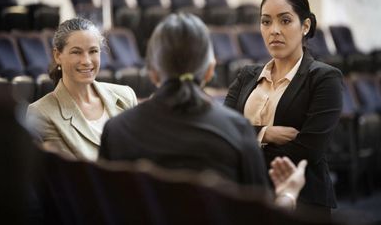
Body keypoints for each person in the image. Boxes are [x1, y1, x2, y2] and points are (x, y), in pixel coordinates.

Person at [99, 13, 307, 210]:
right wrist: (287, 195)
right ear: (210, 69)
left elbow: (105, 210)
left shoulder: (116, 130)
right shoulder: (237, 129)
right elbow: (260, 218)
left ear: (152, 73)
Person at [224, 0, 342, 219]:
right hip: (246, 198)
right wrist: (265, 134)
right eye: (266, 22)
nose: (274, 30)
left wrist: (242, 151)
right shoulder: (247, 74)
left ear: (305, 26)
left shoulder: (324, 78)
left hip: (302, 203)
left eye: (285, 21)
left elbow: (309, 151)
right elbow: (224, 129)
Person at [26, 17, 137, 161]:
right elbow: (64, 173)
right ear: (58, 55)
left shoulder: (126, 96)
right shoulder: (41, 113)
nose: (86, 61)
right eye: (76, 52)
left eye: (93, 51)